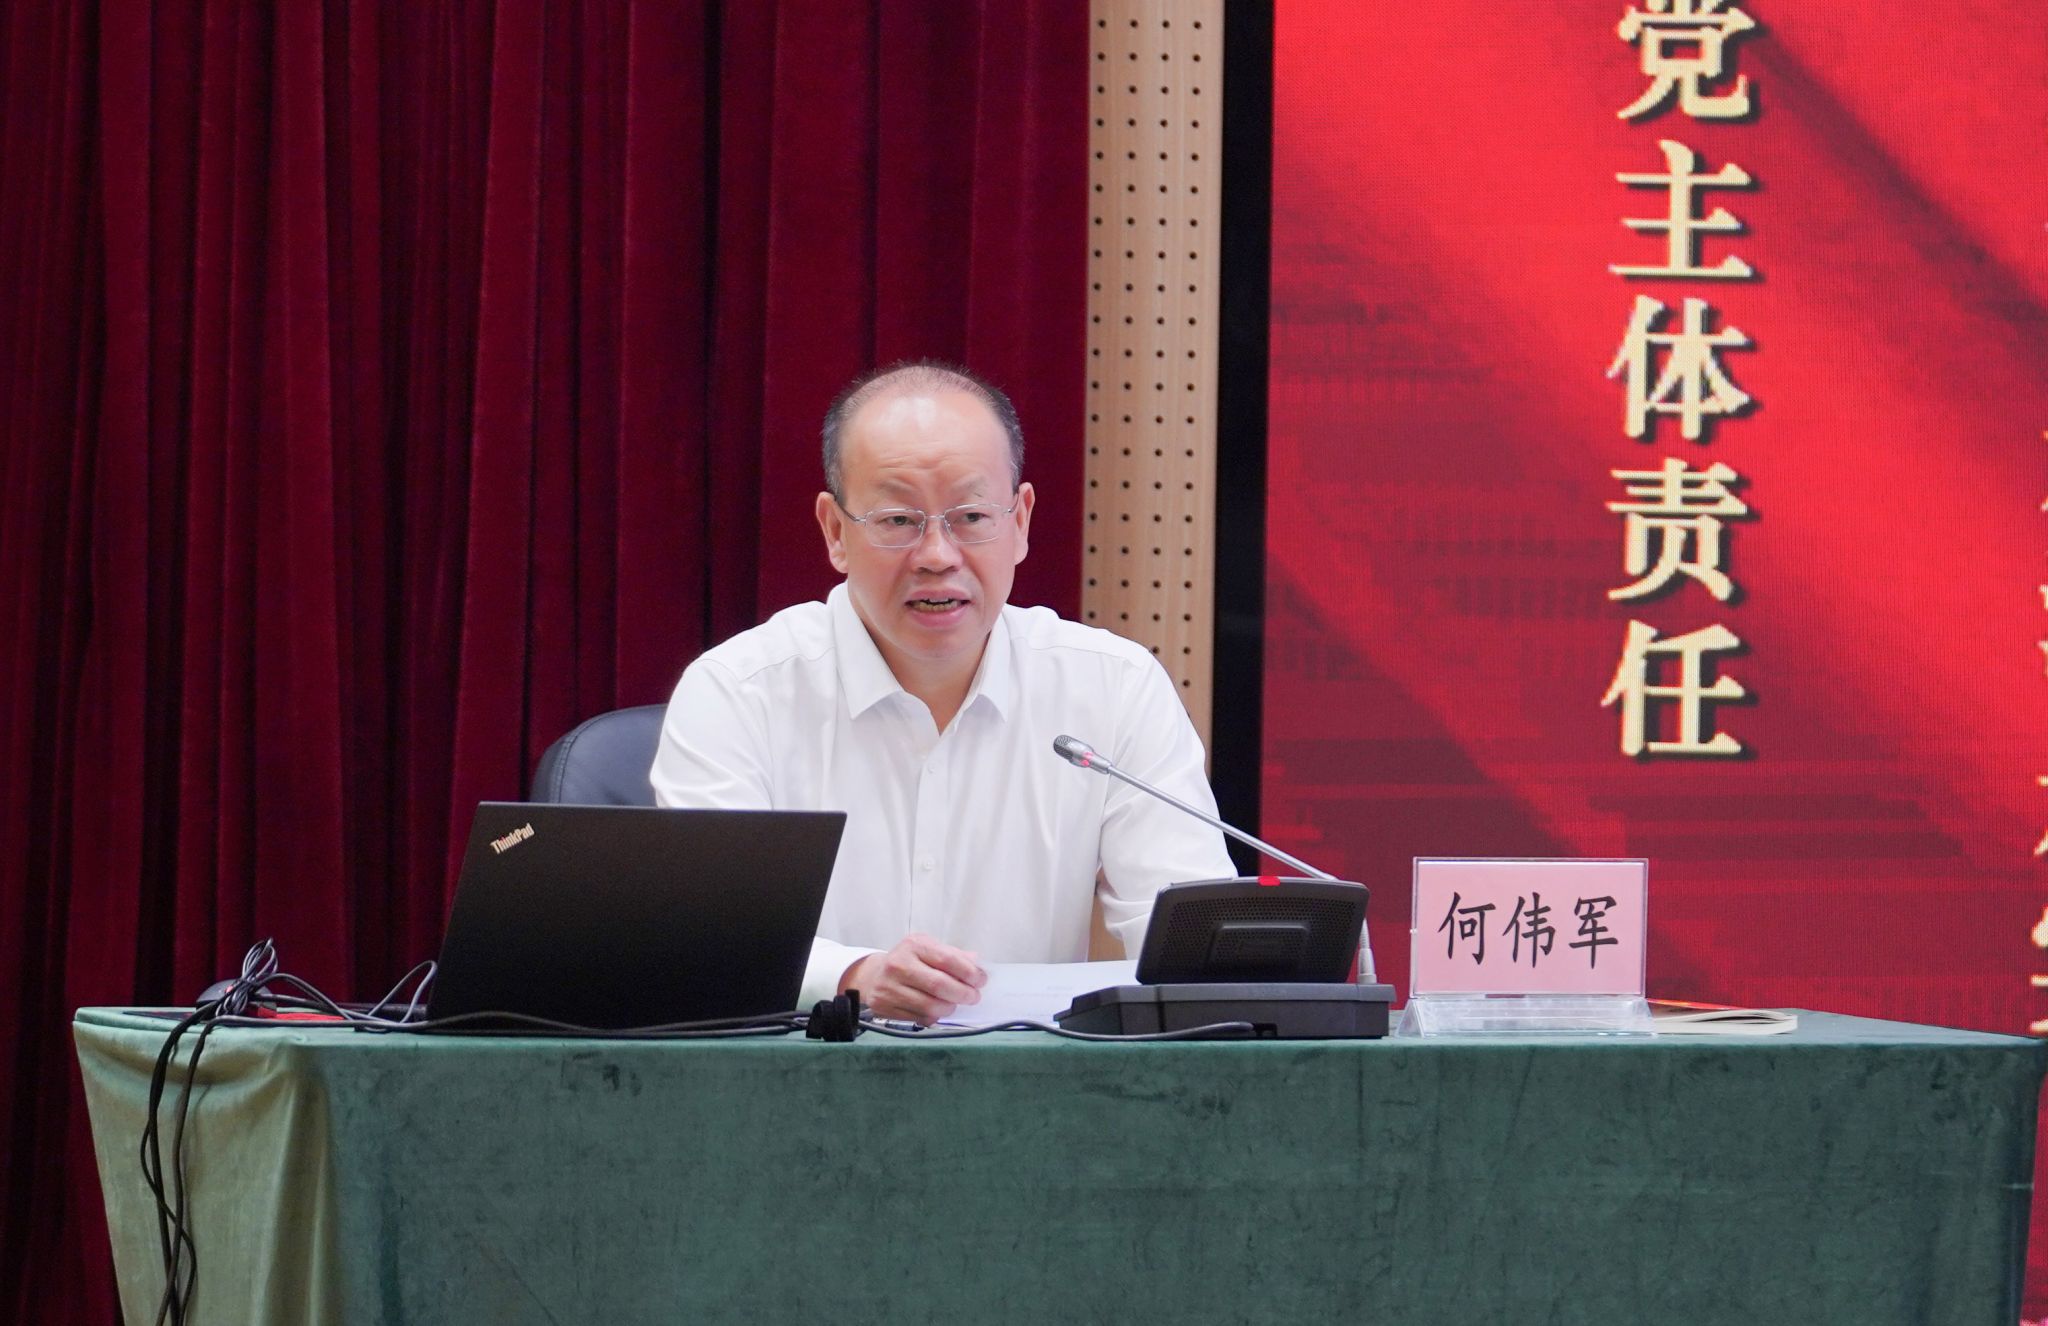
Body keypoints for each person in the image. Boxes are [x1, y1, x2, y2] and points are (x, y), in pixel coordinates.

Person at [651, 361, 1233, 1022]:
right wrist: (851, 975)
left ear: (1020, 521)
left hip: (1033, 1078)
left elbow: (1193, 945)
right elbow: (713, 937)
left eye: (971, 516)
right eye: (898, 519)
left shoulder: (1113, 688)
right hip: (801, 1072)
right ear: (836, 532)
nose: (937, 555)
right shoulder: (737, 694)